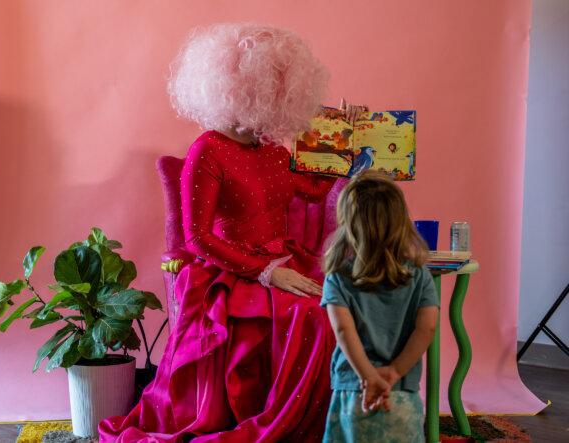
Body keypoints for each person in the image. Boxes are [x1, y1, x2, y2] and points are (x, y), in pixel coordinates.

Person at [99, 23, 365, 442]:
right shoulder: (207, 150)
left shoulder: (273, 150)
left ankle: (312, 424)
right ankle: (281, 423)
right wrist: (266, 272)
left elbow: (314, 192)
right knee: (308, 315)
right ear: (236, 88)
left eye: (283, 90)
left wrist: (347, 139)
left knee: (332, 310)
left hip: (284, 261)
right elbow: (198, 239)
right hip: (228, 275)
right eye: (271, 89)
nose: (278, 99)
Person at [321, 171, 439, 443]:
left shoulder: (338, 276)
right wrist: (395, 371)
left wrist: (369, 377)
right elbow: (428, 327)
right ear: (401, 222)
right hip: (400, 390)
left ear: (348, 225)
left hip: (356, 389)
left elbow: (342, 330)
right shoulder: (419, 275)